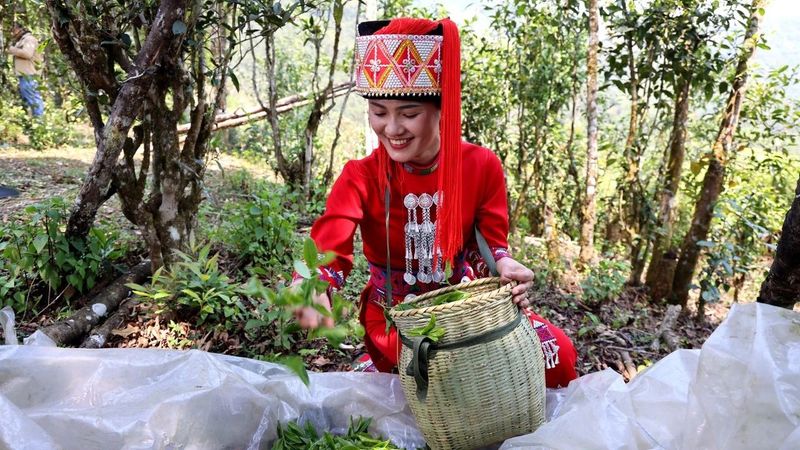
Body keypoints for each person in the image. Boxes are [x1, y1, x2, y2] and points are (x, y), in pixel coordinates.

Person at [294, 17, 578, 388]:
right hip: (395, 319)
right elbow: (331, 239)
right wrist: (314, 286)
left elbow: (490, 247)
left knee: (559, 355)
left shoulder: (481, 165)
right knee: (435, 375)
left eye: (409, 113)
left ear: (441, 110)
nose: (392, 129)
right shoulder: (360, 175)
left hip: (468, 311)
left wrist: (505, 263)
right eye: (379, 112)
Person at [8, 22, 44, 117]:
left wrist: (13, 50)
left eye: (14, 30)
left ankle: (39, 122)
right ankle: (34, 121)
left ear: (21, 29)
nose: (12, 33)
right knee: (28, 97)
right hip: (24, 74)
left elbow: (27, 54)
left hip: (30, 74)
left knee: (33, 97)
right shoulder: (21, 40)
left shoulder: (29, 39)